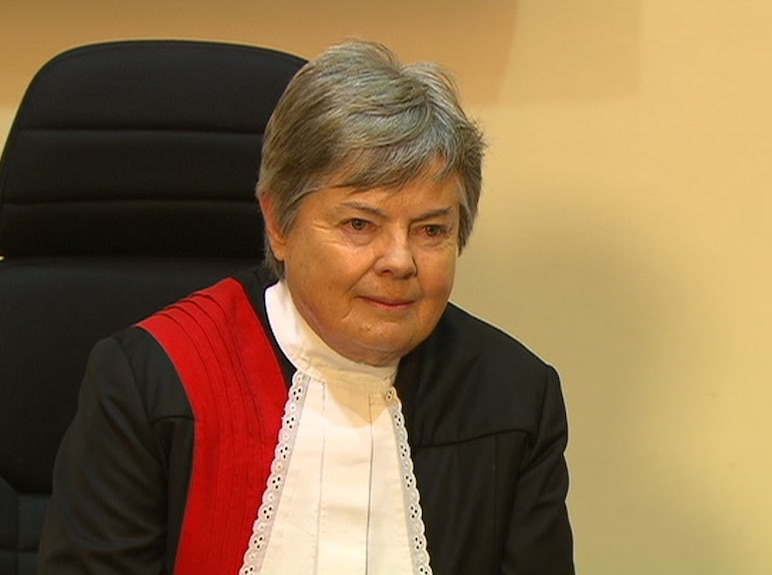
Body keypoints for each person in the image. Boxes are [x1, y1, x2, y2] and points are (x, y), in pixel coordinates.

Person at [37, 40, 575, 575]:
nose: (399, 260)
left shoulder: (514, 398)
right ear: (278, 223)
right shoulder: (150, 382)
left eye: (431, 230)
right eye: (359, 224)